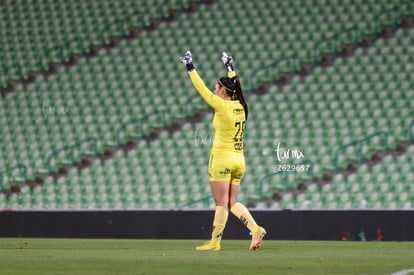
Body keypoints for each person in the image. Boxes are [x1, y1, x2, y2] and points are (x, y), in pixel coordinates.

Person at [179, 50, 266, 251]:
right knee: (232, 201)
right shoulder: (242, 106)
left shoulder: (221, 105)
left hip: (221, 158)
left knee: (221, 203)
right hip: (239, 160)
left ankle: (215, 242)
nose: (214, 89)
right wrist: (230, 68)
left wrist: (190, 66)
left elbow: (200, 89)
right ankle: (255, 229)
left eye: (217, 87)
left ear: (223, 92)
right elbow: (238, 87)